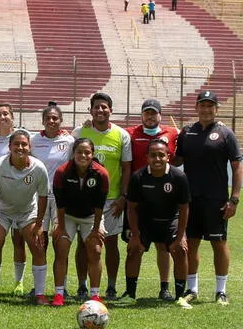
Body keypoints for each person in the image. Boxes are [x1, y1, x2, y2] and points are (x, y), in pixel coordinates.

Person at [174, 90, 242, 305]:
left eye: (210, 105)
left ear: (216, 109)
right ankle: (192, 289)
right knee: (191, 244)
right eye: (202, 105)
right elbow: (176, 161)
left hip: (216, 199)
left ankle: (220, 291)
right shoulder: (187, 132)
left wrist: (234, 199)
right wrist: (166, 144)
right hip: (191, 199)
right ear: (196, 108)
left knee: (218, 243)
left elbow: (237, 168)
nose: (206, 109)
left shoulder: (225, 133)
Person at [116, 139, 192, 309]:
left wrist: (181, 237)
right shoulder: (138, 177)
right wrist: (135, 235)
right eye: (153, 155)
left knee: (180, 250)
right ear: (147, 157)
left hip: (170, 221)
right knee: (134, 249)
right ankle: (130, 294)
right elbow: (131, 208)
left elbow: (184, 208)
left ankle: (180, 296)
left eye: (161, 155)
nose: (157, 159)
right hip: (146, 222)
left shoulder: (179, 177)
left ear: (168, 157)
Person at [0, 130, 49, 305]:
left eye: (24, 144)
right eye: (16, 144)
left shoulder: (38, 167)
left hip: (27, 211)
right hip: (2, 211)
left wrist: (39, 224)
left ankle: (39, 294)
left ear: (29, 147)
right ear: (9, 147)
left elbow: (43, 197)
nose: (20, 147)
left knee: (38, 245)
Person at [73, 93, 131, 300]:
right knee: (83, 243)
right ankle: (82, 286)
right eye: (96, 107)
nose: (100, 110)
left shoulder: (121, 135)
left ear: (111, 110)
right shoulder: (81, 131)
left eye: (104, 107)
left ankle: (112, 287)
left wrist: (123, 197)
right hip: (85, 199)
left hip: (112, 200)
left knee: (111, 243)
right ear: (90, 110)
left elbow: (126, 168)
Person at [125, 99, 179, 301]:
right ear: (141, 115)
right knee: (134, 245)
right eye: (146, 113)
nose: (150, 116)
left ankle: (164, 288)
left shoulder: (172, 133)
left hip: (165, 197)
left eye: (153, 113)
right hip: (138, 199)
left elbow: (188, 139)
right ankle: (130, 292)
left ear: (160, 115)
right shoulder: (130, 133)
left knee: (163, 246)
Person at [51, 138, 108, 305]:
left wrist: (96, 229)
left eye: (87, 152)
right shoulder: (62, 172)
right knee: (61, 247)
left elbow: (99, 206)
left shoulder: (101, 174)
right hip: (66, 215)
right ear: (73, 153)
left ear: (93, 154)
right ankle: (59, 294)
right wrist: (60, 228)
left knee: (95, 250)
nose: (83, 155)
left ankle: (95, 295)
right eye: (79, 152)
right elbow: (60, 205)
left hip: (90, 217)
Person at [30, 102, 75, 297]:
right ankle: (38, 288)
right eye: (48, 118)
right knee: (39, 242)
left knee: (60, 242)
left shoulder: (70, 141)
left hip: (60, 198)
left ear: (61, 121)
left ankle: (61, 287)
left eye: (55, 118)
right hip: (38, 197)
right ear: (42, 120)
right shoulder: (33, 141)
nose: (51, 121)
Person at [0, 103, 27, 295]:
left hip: (21, 195)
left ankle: (19, 282)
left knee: (19, 241)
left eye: (6, 113)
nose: (2, 117)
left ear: (12, 116)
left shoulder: (23, 136)